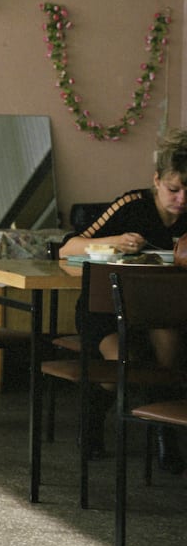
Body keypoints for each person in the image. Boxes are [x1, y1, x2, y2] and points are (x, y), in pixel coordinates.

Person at [58, 128, 187, 473]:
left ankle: (164, 431)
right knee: (120, 362)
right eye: (174, 189)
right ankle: (93, 422)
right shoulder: (132, 205)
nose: (182, 199)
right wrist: (115, 239)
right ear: (156, 180)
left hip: (165, 312)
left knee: (170, 346)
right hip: (108, 313)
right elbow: (67, 247)